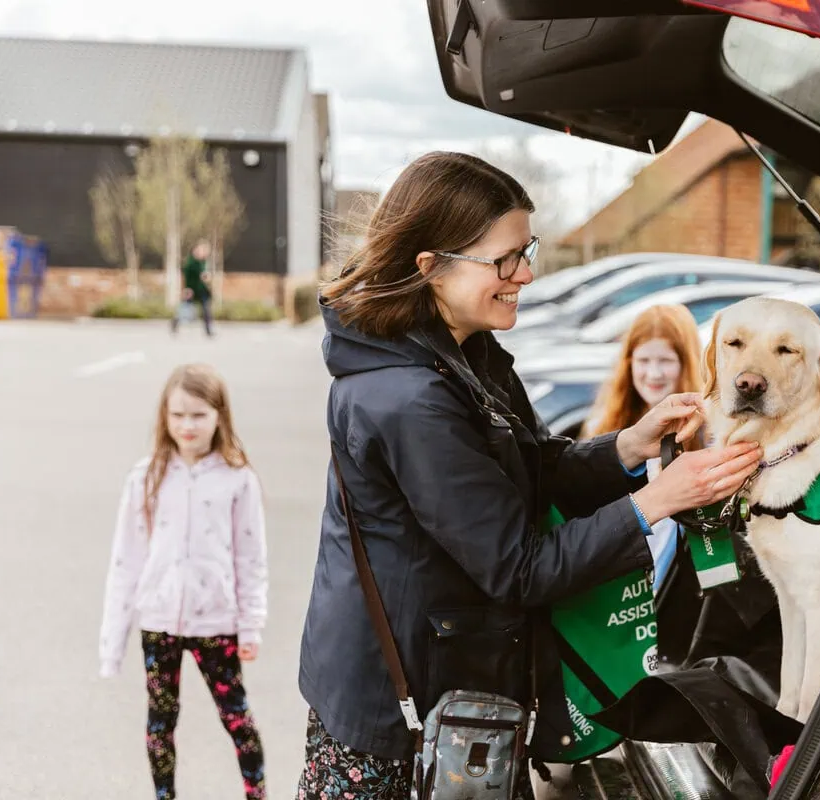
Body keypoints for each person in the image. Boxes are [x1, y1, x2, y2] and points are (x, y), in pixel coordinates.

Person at [296, 151, 762, 799]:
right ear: (430, 267)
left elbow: (533, 467)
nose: (528, 273)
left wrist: (629, 444)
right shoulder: (410, 399)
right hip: (396, 714)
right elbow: (519, 568)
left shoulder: (466, 354)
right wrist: (658, 500)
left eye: (527, 249)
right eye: (505, 259)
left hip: (453, 684)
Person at [99, 363, 268, 800]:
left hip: (216, 623)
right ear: (164, 417)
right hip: (159, 622)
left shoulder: (238, 479)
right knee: (160, 721)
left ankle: (257, 793)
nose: (187, 425)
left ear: (219, 416)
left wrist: (251, 625)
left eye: (198, 414)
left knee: (237, 717)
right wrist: (111, 644)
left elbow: (251, 559)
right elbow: (126, 561)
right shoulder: (146, 477)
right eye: (177, 415)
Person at [583, 303, 707, 592]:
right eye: (644, 360)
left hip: (684, 587)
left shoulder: (706, 433)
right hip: (622, 586)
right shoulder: (605, 426)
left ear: (685, 362)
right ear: (629, 363)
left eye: (665, 360)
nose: (653, 373)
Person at [172, 240, 214, 337]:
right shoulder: (191, 263)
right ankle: (175, 322)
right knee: (184, 309)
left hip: (201, 290)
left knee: (206, 310)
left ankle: (208, 330)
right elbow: (187, 277)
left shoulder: (203, 262)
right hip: (191, 290)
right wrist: (186, 288)